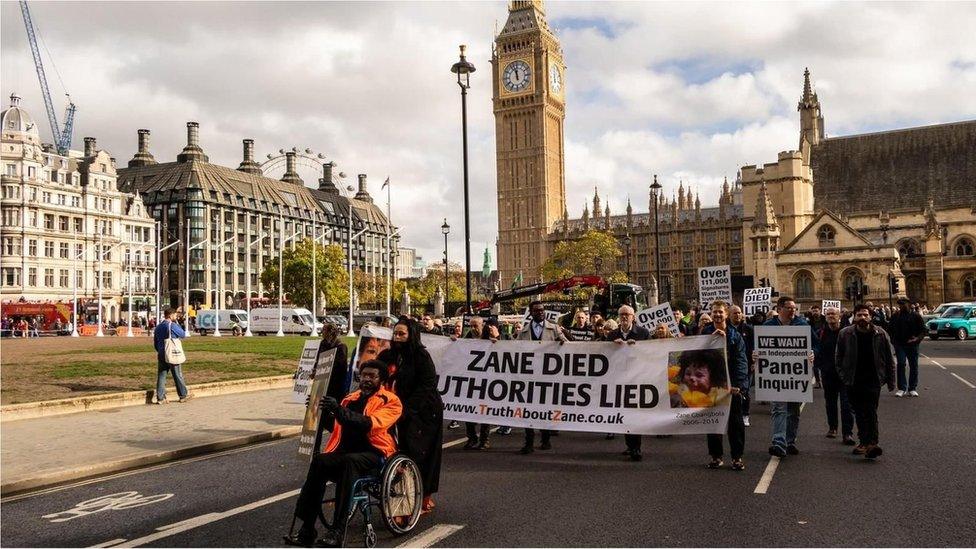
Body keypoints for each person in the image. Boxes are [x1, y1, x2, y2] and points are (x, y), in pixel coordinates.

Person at [286, 360, 402, 548]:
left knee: (350, 461)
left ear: (381, 380)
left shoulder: (390, 401)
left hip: (375, 454)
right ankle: (307, 528)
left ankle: (337, 530)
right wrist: (320, 411)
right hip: (346, 452)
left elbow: (368, 424)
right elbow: (337, 427)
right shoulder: (350, 398)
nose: (366, 379)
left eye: (372, 376)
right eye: (364, 375)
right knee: (319, 462)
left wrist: (338, 410)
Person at [379, 319, 444, 512]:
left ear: (411, 336)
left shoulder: (421, 356)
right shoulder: (387, 356)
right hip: (395, 411)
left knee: (422, 454)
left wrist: (406, 409)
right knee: (398, 451)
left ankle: (424, 496)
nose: (397, 338)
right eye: (395, 334)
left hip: (423, 413)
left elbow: (427, 385)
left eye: (402, 334)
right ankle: (402, 495)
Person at [836, 304, 896, 460]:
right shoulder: (845, 334)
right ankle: (864, 442)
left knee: (870, 411)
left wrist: (891, 380)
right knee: (859, 412)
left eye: (865, 315)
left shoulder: (881, 334)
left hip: (873, 379)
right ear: (854, 317)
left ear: (870, 316)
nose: (862, 318)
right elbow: (839, 358)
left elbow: (890, 359)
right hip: (853, 379)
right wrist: (843, 376)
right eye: (859, 315)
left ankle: (872, 443)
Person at [761, 296, 817, 458]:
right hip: (776, 375)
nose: (793, 310)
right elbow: (759, 347)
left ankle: (790, 441)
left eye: (794, 308)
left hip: (797, 375)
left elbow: (815, 344)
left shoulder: (802, 324)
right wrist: (756, 355)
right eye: (789, 308)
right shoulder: (768, 326)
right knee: (779, 408)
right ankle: (778, 442)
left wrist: (813, 353)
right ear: (779, 309)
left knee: (793, 410)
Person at [700, 301, 748, 471]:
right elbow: (698, 357)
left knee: (735, 424)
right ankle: (716, 456)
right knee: (713, 422)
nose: (717, 315)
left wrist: (739, 385)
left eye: (720, 312)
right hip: (712, 385)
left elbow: (741, 361)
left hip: (731, 386)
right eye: (715, 312)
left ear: (726, 314)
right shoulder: (705, 332)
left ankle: (737, 457)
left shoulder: (735, 335)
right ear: (711, 314)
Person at [516, 300, 567, 454]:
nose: (540, 312)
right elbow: (514, 350)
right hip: (530, 377)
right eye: (537, 310)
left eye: (542, 310)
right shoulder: (524, 332)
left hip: (547, 376)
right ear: (531, 313)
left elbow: (567, 345)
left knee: (545, 409)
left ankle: (545, 439)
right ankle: (529, 441)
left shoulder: (554, 329)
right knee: (528, 409)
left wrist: (562, 342)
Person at [606, 305, 651, 461]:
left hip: (637, 379)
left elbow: (652, 354)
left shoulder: (644, 334)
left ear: (633, 317)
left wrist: (638, 348)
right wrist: (612, 348)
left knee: (634, 414)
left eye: (627, 314)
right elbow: (604, 357)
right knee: (624, 414)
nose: (624, 317)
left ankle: (636, 448)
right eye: (622, 314)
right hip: (618, 380)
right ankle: (630, 445)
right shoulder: (611, 335)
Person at [816, 306, 856, 445]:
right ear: (825, 317)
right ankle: (832, 428)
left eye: (833, 313)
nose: (831, 316)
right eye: (828, 314)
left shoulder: (847, 332)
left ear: (839, 316)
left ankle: (847, 433)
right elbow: (817, 350)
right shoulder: (821, 332)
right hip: (828, 374)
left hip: (845, 374)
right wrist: (820, 365)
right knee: (831, 403)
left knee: (846, 405)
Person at [887, 298, 926, 397]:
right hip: (900, 345)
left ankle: (912, 388)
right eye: (899, 305)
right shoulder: (895, 316)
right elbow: (890, 329)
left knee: (913, 366)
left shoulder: (916, 316)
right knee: (901, 364)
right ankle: (902, 388)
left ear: (908, 304)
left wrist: (917, 339)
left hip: (912, 345)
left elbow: (923, 330)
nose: (900, 306)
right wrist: (894, 341)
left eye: (902, 304)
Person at [152, 307, 190, 404]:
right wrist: (177, 323)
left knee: (162, 375)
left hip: (161, 353)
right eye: (175, 315)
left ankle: (160, 398)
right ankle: (183, 395)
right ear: (170, 315)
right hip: (172, 353)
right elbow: (182, 334)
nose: (176, 317)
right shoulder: (172, 325)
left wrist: (160, 350)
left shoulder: (158, 327)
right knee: (177, 375)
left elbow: (155, 343)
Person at [728, 306, 755, 426]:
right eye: (735, 313)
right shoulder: (727, 329)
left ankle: (745, 414)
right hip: (729, 366)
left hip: (746, 365)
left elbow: (755, 346)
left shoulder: (749, 329)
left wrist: (754, 362)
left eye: (739, 313)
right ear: (729, 315)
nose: (737, 315)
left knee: (745, 390)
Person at [317, 323, 349, 400]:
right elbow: (319, 359)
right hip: (323, 382)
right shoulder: (323, 344)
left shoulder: (341, 346)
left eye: (324, 329)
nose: (322, 331)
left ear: (330, 332)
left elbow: (340, 366)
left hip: (336, 383)